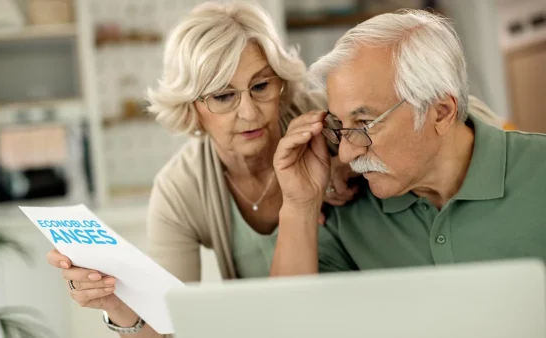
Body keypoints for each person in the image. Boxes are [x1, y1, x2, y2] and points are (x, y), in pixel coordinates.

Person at [45, 2, 356, 337]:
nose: (250, 112)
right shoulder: (181, 187)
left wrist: (352, 162)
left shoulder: (327, 122)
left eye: (261, 86)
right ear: (191, 107)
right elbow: (169, 326)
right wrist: (117, 307)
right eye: (223, 96)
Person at [270, 9, 546, 277]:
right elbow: (290, 321)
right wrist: (299, 206)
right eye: (339, 125)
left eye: (364, 123)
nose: (344, 153)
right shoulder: (346, 209)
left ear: (441, 112)